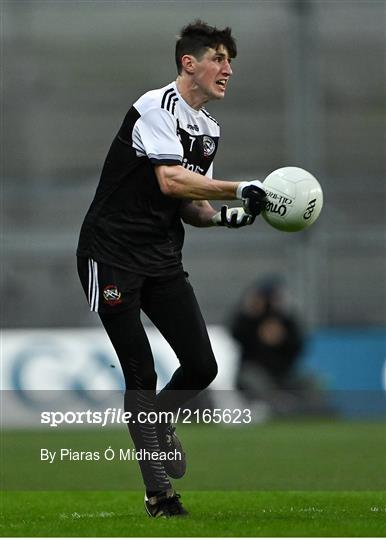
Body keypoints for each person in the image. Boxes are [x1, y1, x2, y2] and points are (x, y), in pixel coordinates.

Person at [77, 20, 267, 518]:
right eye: (219, 58)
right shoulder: (155, 106)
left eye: (230, 61)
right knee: (139, 368)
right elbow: (169, 180)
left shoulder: (209, 130)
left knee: (203, 366)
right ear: (190, 63)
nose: (228, 69)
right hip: (110, 255)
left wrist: (227, 214)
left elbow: (189, 204)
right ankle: (160, 495)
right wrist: (239, 186)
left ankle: (159, 420)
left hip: (161, 258)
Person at [230, 278, 327, 418]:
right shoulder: (249, 319)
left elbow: (298, 346)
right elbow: (235, 335)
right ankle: (273, 411)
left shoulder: (286, 320)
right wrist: (249, 314)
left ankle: (308, 414)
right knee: (254, 381)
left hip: (283, 372)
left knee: (311, 383)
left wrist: (282, 337)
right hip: (256, 371)